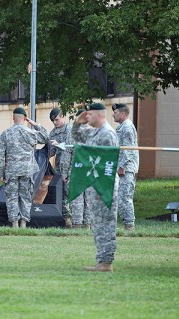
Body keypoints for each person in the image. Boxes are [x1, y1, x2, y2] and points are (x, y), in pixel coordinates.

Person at [72, 103, 119, 272]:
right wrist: (77, 122)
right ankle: (102, 260)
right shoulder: (94, 132)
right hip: (96, 184)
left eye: (89, 114)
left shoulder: (107, 134)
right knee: (98, 224)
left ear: (99, 115)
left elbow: (109, 163)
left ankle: (107, 262)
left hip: (104, 185)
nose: (87, 117)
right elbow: (77, 136)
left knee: (106, 223)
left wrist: (102, 188)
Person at [0, 107, 49, 228]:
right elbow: (45, 137)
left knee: (12, 197)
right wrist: (34, 124)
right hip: (27, 170)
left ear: (13, 118)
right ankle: (23, 223)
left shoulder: (5, 134)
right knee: (25, 196)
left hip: (11, 171)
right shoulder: (30, 132)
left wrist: (0, 173)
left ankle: (14, 223)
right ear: (24, 119)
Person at [60, 109, 91, 229]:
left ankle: (77, 225)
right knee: (88, 200)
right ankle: (87, 224)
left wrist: (64, 173)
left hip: (76, 171)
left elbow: (67, 154)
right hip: (90, 171)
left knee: (77, 200)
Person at [112, 103, 139, 231]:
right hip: (121, 167)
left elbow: (128, 149)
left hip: (126, 169)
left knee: (125, 197)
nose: (113, 114)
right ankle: (127, 224)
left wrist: (121, 167)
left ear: (123, 114)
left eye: (115, 112)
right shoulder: (121, 127)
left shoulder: (127, 128)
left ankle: (129, 226)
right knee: (120, 198)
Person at [48, 108, 72, 228]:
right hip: (60, 168)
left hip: (72, 167)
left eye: (56, 119)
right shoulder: (52, 133)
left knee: (72, 194)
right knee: (61, 194)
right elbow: (51, 151)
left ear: (62, 117)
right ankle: (67, 220)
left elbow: (71, 148)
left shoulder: (70, 130)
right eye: (53, 121)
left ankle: (81, 221)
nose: (55, 122)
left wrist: (58, 145)